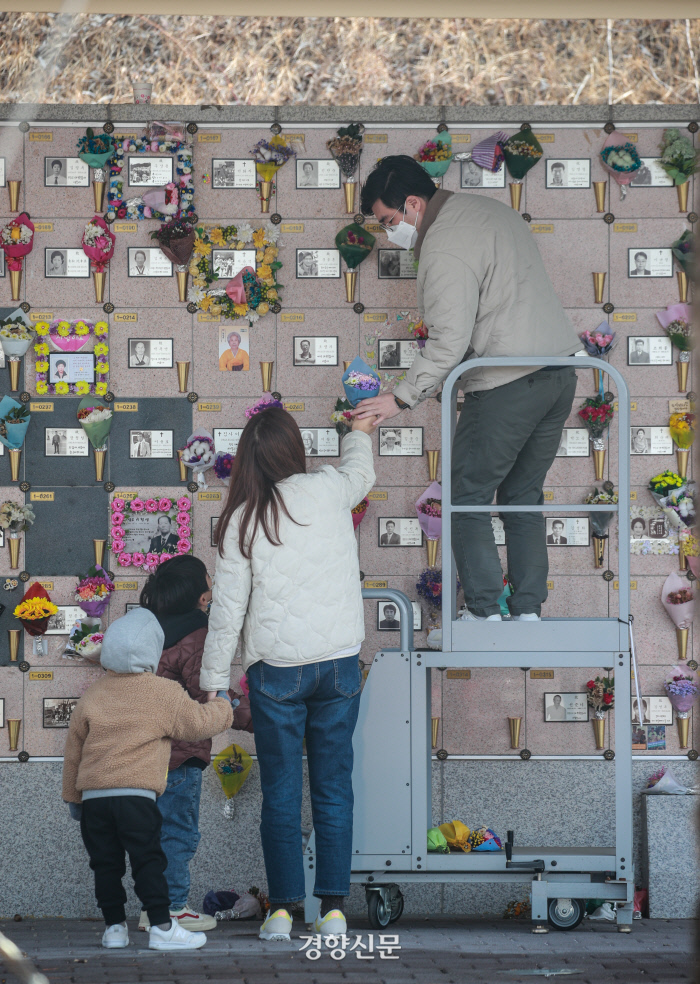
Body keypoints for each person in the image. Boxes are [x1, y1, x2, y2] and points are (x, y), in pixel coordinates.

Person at [357, 156, 580, 622]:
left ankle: (483, 611)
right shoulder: (489, 209)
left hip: (505, 382)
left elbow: (448, 340)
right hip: (559, 375)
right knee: (523, 499)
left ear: (414, 204)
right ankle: (527, 612)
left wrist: (398, 398)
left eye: (389, 221)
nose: (389, 231)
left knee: (463, 500)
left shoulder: (443, 245)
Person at [200, 406, 376, 943]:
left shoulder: (243, 519)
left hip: (277, 670)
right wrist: (357, 432)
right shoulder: (328, 489)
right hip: (340, 661)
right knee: (332, 788)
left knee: (279, 790)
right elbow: (361, 473)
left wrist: (212, 681)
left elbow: (228, 610)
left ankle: (281, 913)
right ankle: (335, 910)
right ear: (294, 450)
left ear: (250, 456)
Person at [61, 607, 233, 951]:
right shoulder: (161, 692)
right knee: (148, 861)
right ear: (152, 651)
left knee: (105, 865)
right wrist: (223, 705)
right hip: (136, 798)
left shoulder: (93, 696)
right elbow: (197, 724)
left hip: (95, 799)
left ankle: (113, 929)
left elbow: (74, 752)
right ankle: (162, 928)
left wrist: (74, 800)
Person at [137, 556, 253, 933]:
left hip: (141, 752)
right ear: (200, 594)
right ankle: (171, 909)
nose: (213, 584)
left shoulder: (149, 628)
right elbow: (209, 697)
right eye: (209, 578)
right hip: (179, 754)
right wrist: (259, 719)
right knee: (178, 832)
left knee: (153, 834)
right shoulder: (197, 635)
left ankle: (152, 909)